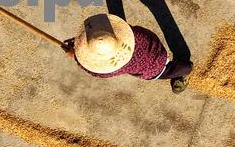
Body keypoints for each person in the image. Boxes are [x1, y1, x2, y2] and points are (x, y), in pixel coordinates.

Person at [61, 13, 192, 94]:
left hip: (153, 67)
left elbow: (95, 72)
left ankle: (184, 71)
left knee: (166, 72)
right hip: (153, 44)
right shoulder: (130, 34)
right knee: (160, 61)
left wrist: (76, 56)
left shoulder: (115, 67)